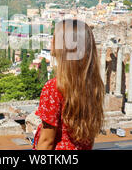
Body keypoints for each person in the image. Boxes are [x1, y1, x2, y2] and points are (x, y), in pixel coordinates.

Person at [33, 19, 105, 150]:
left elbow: (46, 141)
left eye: (54, 38)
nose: (51, 42)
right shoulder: (93, 86)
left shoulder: (54, 88)